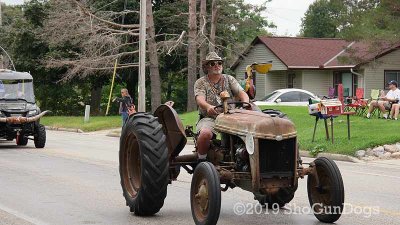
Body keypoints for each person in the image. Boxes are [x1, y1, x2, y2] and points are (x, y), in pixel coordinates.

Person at [194, 52, 249, 161]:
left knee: (252, 132)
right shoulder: (201, 82)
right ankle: (201, 160)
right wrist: (208, 107)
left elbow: (242, 94)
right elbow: (200, 99)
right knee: (205, 134)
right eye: (212, 63)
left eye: (219, 63)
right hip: (210, 118)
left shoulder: (229, 79)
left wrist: (245, 104)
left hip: (232, 117)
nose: (217, 65)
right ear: (206, 67)